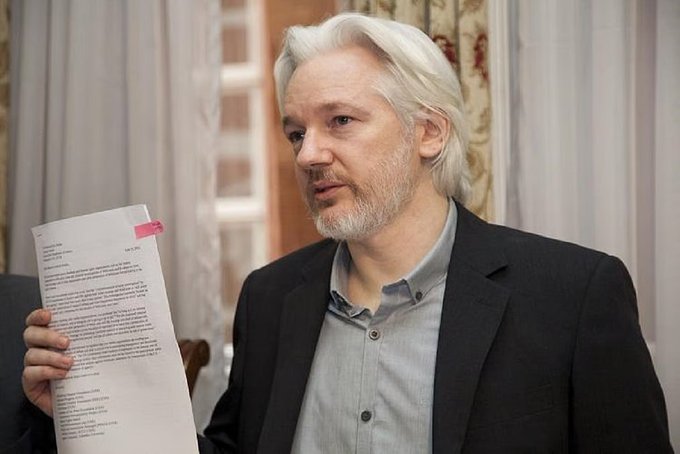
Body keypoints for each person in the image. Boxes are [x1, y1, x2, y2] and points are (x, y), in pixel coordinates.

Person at [22, 13, 672, 453]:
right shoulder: (270, 299)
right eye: (296, 133)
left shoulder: (571, 295)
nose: (308, 155)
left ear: (428, 132)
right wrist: (88, 411)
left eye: (340, 121)